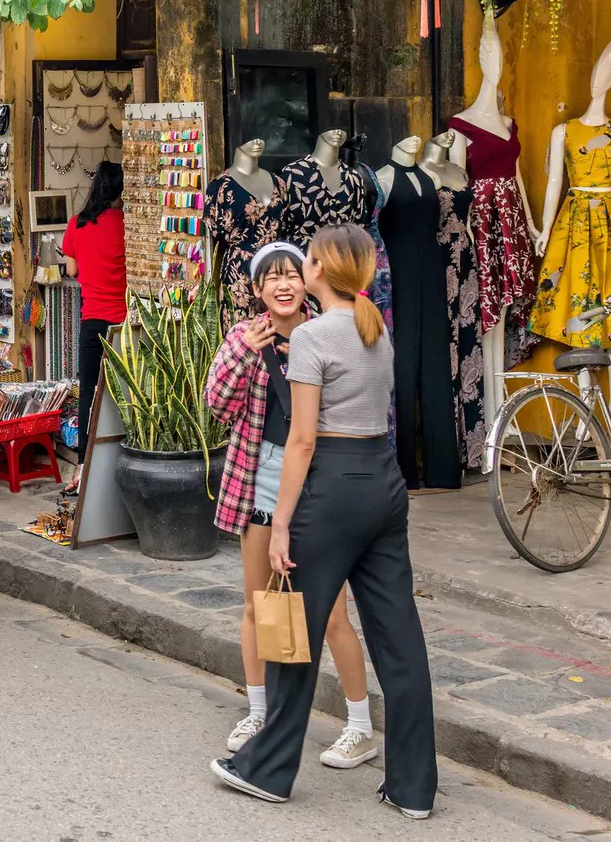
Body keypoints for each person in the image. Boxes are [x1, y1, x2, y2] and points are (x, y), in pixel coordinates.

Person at [214, 224, 437, 818]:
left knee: (293, 628)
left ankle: (266, 769)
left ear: (322, 270)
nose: (298, 270)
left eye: (306, 261)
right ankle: (414, 788)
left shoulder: (313, 335)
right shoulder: (375, 327)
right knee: (401, 639)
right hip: (384, 481)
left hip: (334, 486)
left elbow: (304, 441)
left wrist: (283, 522)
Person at [204, 241, 378, 766]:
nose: (283, 285)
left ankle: (360, 726)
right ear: (257, 290)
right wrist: (245, 353)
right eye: (271, 278)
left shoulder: (325, 332)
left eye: (291, 275)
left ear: (307, 282)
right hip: (261, 476)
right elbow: (218, 406)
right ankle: (260, 713)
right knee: (261, 605)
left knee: (331, 614)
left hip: (318, 477)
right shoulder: (243, 336)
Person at [59, 161, 127, 492]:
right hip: (123, 322)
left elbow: (72, 270)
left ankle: (83, 465)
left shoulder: (77, 224)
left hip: (92, 320)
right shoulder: (126, 224)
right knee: (126, 392)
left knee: (88, 391)